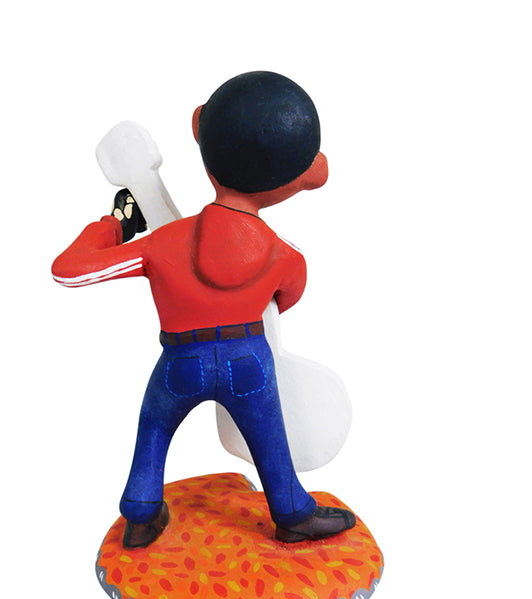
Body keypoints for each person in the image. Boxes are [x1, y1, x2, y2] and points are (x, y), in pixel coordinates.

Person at [52, 71, 356, 548]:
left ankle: (141, 512)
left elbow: (70, 270)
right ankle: (293, 513)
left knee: (155, 428)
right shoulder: (285, 257)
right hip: (248, 358)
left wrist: (115, 224)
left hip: (181, 360)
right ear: (306, 178)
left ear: (199, 130)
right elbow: (285, 300)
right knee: (269, 437)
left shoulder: (162, 244)